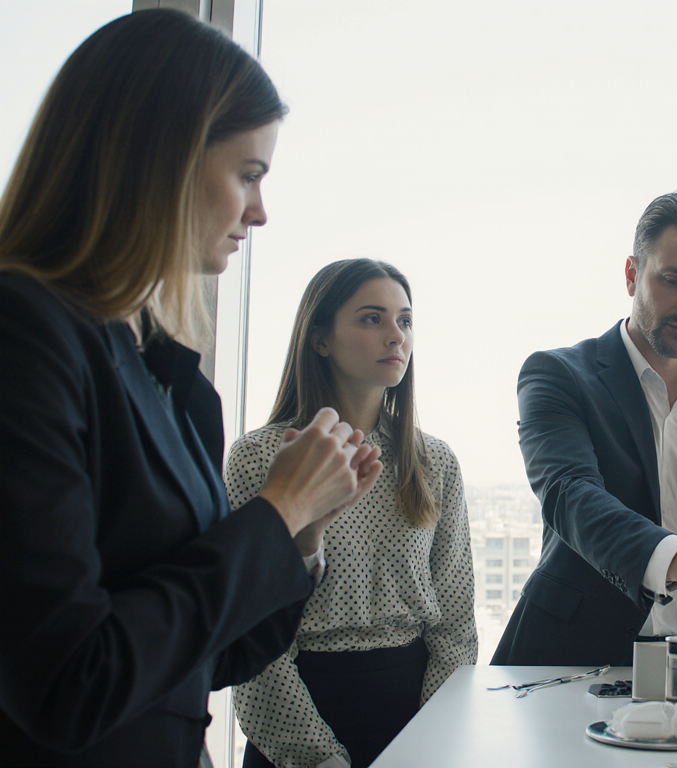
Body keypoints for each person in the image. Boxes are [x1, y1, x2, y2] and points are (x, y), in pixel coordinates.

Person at [0, 10, 382, 766]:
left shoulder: (172, 378)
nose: (260, 212)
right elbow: (67, 682)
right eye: (247, 174)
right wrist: (277, 511)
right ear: (158, 158)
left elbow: (203, 661)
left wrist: (301, 540)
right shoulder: (23, 332)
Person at [490, 190, 677, 667]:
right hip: (570, 660)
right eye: (674, 280)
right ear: (632, 275)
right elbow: (570, 495)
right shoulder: (556, 374)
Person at [228, 259, 476, 768]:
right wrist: (318, 759)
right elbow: (247, 633)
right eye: (372, 318)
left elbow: (454, 625)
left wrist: (427, 743)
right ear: (319, 339)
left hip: (415, 714)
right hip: (296, 720)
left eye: (405, 321)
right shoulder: (261, 458)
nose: (396, 336)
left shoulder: (435, 462)